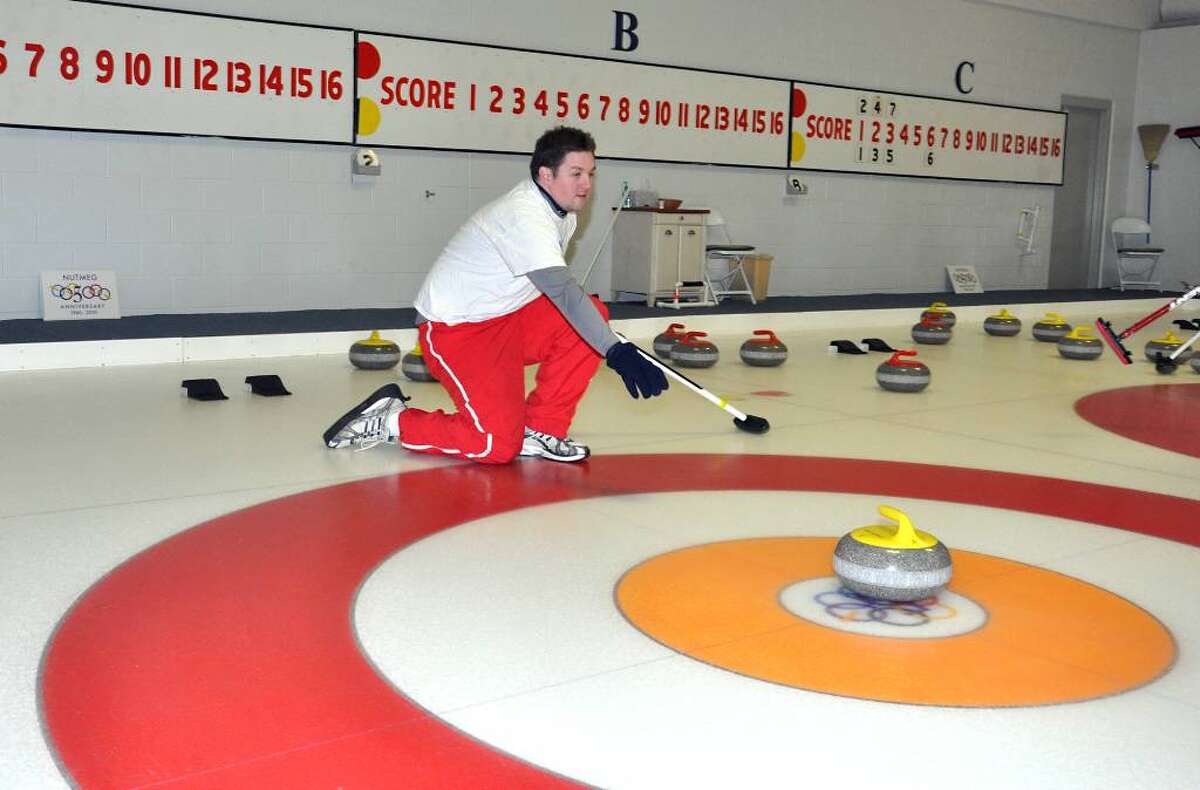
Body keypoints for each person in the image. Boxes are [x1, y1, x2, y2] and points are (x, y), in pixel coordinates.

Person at [322, 126, 667, 463]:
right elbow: (561, 290)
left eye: (591, 173)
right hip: (457, 331)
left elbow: (561, 296)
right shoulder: (525, 217)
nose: (587, 184)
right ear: (546, 175)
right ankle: (392, 420)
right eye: (576, 173)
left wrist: (607, 342)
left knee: (590, 315)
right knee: (494, 445)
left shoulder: (561, 213)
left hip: (505, 317)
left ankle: (541, 430)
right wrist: (615, 350)